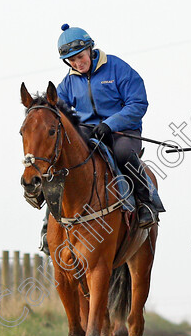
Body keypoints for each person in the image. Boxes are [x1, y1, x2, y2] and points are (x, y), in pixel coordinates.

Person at [39, 24, 164, 255]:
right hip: (87, 133)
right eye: (71, 60)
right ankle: (50, 224)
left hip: (122, 131)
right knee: (62, 161)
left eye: (79, 56)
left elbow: (138, 103)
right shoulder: (67, 83)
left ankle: (147, 203)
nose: (77, 63)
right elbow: (59, 114)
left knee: (123, 154)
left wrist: (111, 124)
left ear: (90, 49)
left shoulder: (117, 68)